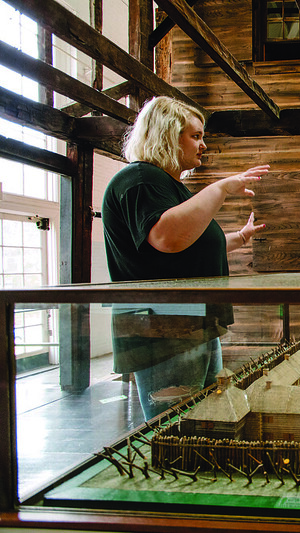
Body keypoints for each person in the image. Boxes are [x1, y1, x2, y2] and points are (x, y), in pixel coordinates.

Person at [102, 96, 270, 419]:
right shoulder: (140, 180)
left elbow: (189, 244)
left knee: (204, 417)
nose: (204, 145)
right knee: (179, 425)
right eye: (196, 136)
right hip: (165, 330)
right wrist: (221, 188)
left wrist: (240, 238)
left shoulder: (166, 185)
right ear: (167, 134)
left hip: (191, 324)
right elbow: (167, 237)